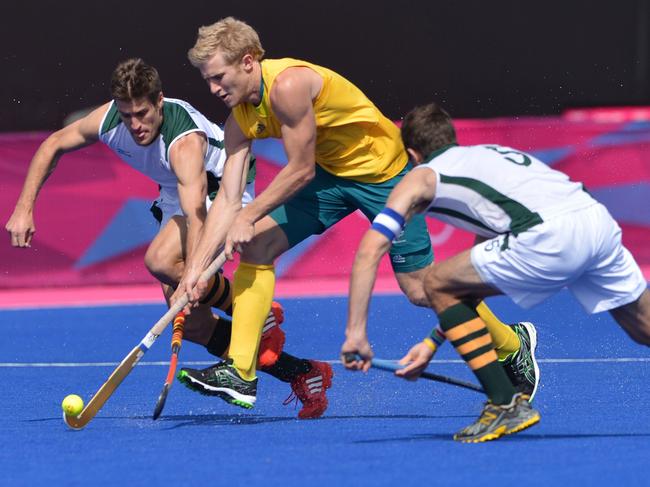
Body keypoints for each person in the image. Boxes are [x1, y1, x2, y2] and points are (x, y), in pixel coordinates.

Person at [172, 17, 538, 409]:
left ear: (247, 62)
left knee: (420, 289)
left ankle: (512, 342)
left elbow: (299, 169)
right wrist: (194, 272)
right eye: (207, 80)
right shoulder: (239, 121)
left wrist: (250, 214)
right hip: (331, 177)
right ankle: (241, 371)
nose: (212, 89)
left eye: (218, 77)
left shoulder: (288, 86)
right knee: (258, 246)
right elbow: (228, 200)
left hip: (384, 173)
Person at [5, 57, 332, 419]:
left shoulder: (184, 142)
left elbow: (197, 215)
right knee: (193, 326)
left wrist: (194, 276)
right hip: (175, 191)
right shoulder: (112, 118)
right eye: (127, 115)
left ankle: (246, 306)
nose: (135, 125)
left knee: (160, 261)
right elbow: (53, 144)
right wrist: (24, 207)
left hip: (223, 186)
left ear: (159, 100)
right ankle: (302, 372)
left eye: (142, 113)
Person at [341, 102, 650, 442]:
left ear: (412, 153)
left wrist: (356, 333)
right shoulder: (491, 155)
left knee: (434, 280)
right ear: (451, 137)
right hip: (596, 221)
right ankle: (505, 398)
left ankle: (504, 404)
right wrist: (431, 344)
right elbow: (465, 288)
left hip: (551, 237)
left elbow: (370, 249)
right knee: (643, 326)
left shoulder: (420, 176)